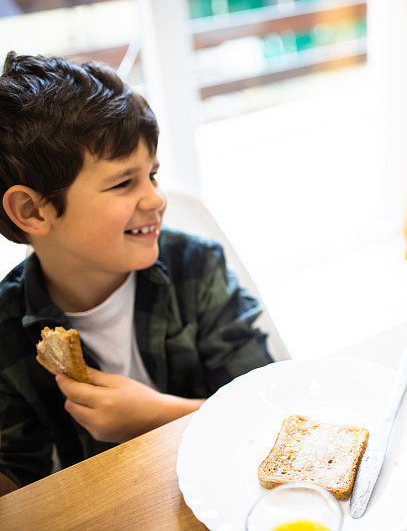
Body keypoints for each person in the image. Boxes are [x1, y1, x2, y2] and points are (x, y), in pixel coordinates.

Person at [0, 52, 273, 494]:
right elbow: (17, 476)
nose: (156, 199)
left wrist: (155, 414)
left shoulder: (196, 268)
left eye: (153, 175)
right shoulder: (6, 327)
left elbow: (269, 405)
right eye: (124, 183)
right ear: (31, 210)